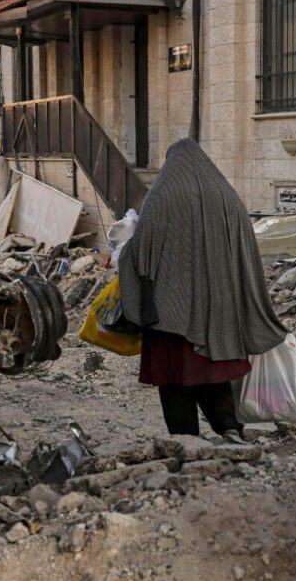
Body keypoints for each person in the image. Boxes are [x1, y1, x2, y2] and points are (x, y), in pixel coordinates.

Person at [118, 139, 286, 439]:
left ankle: (186, 441)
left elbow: (140, 253)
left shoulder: (162, 196)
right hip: (220, 311)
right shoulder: (227, 195)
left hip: (171, 315)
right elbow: (246, 252)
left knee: (175, 381)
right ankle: (229, 428)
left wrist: (124, 248)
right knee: (214, 375)